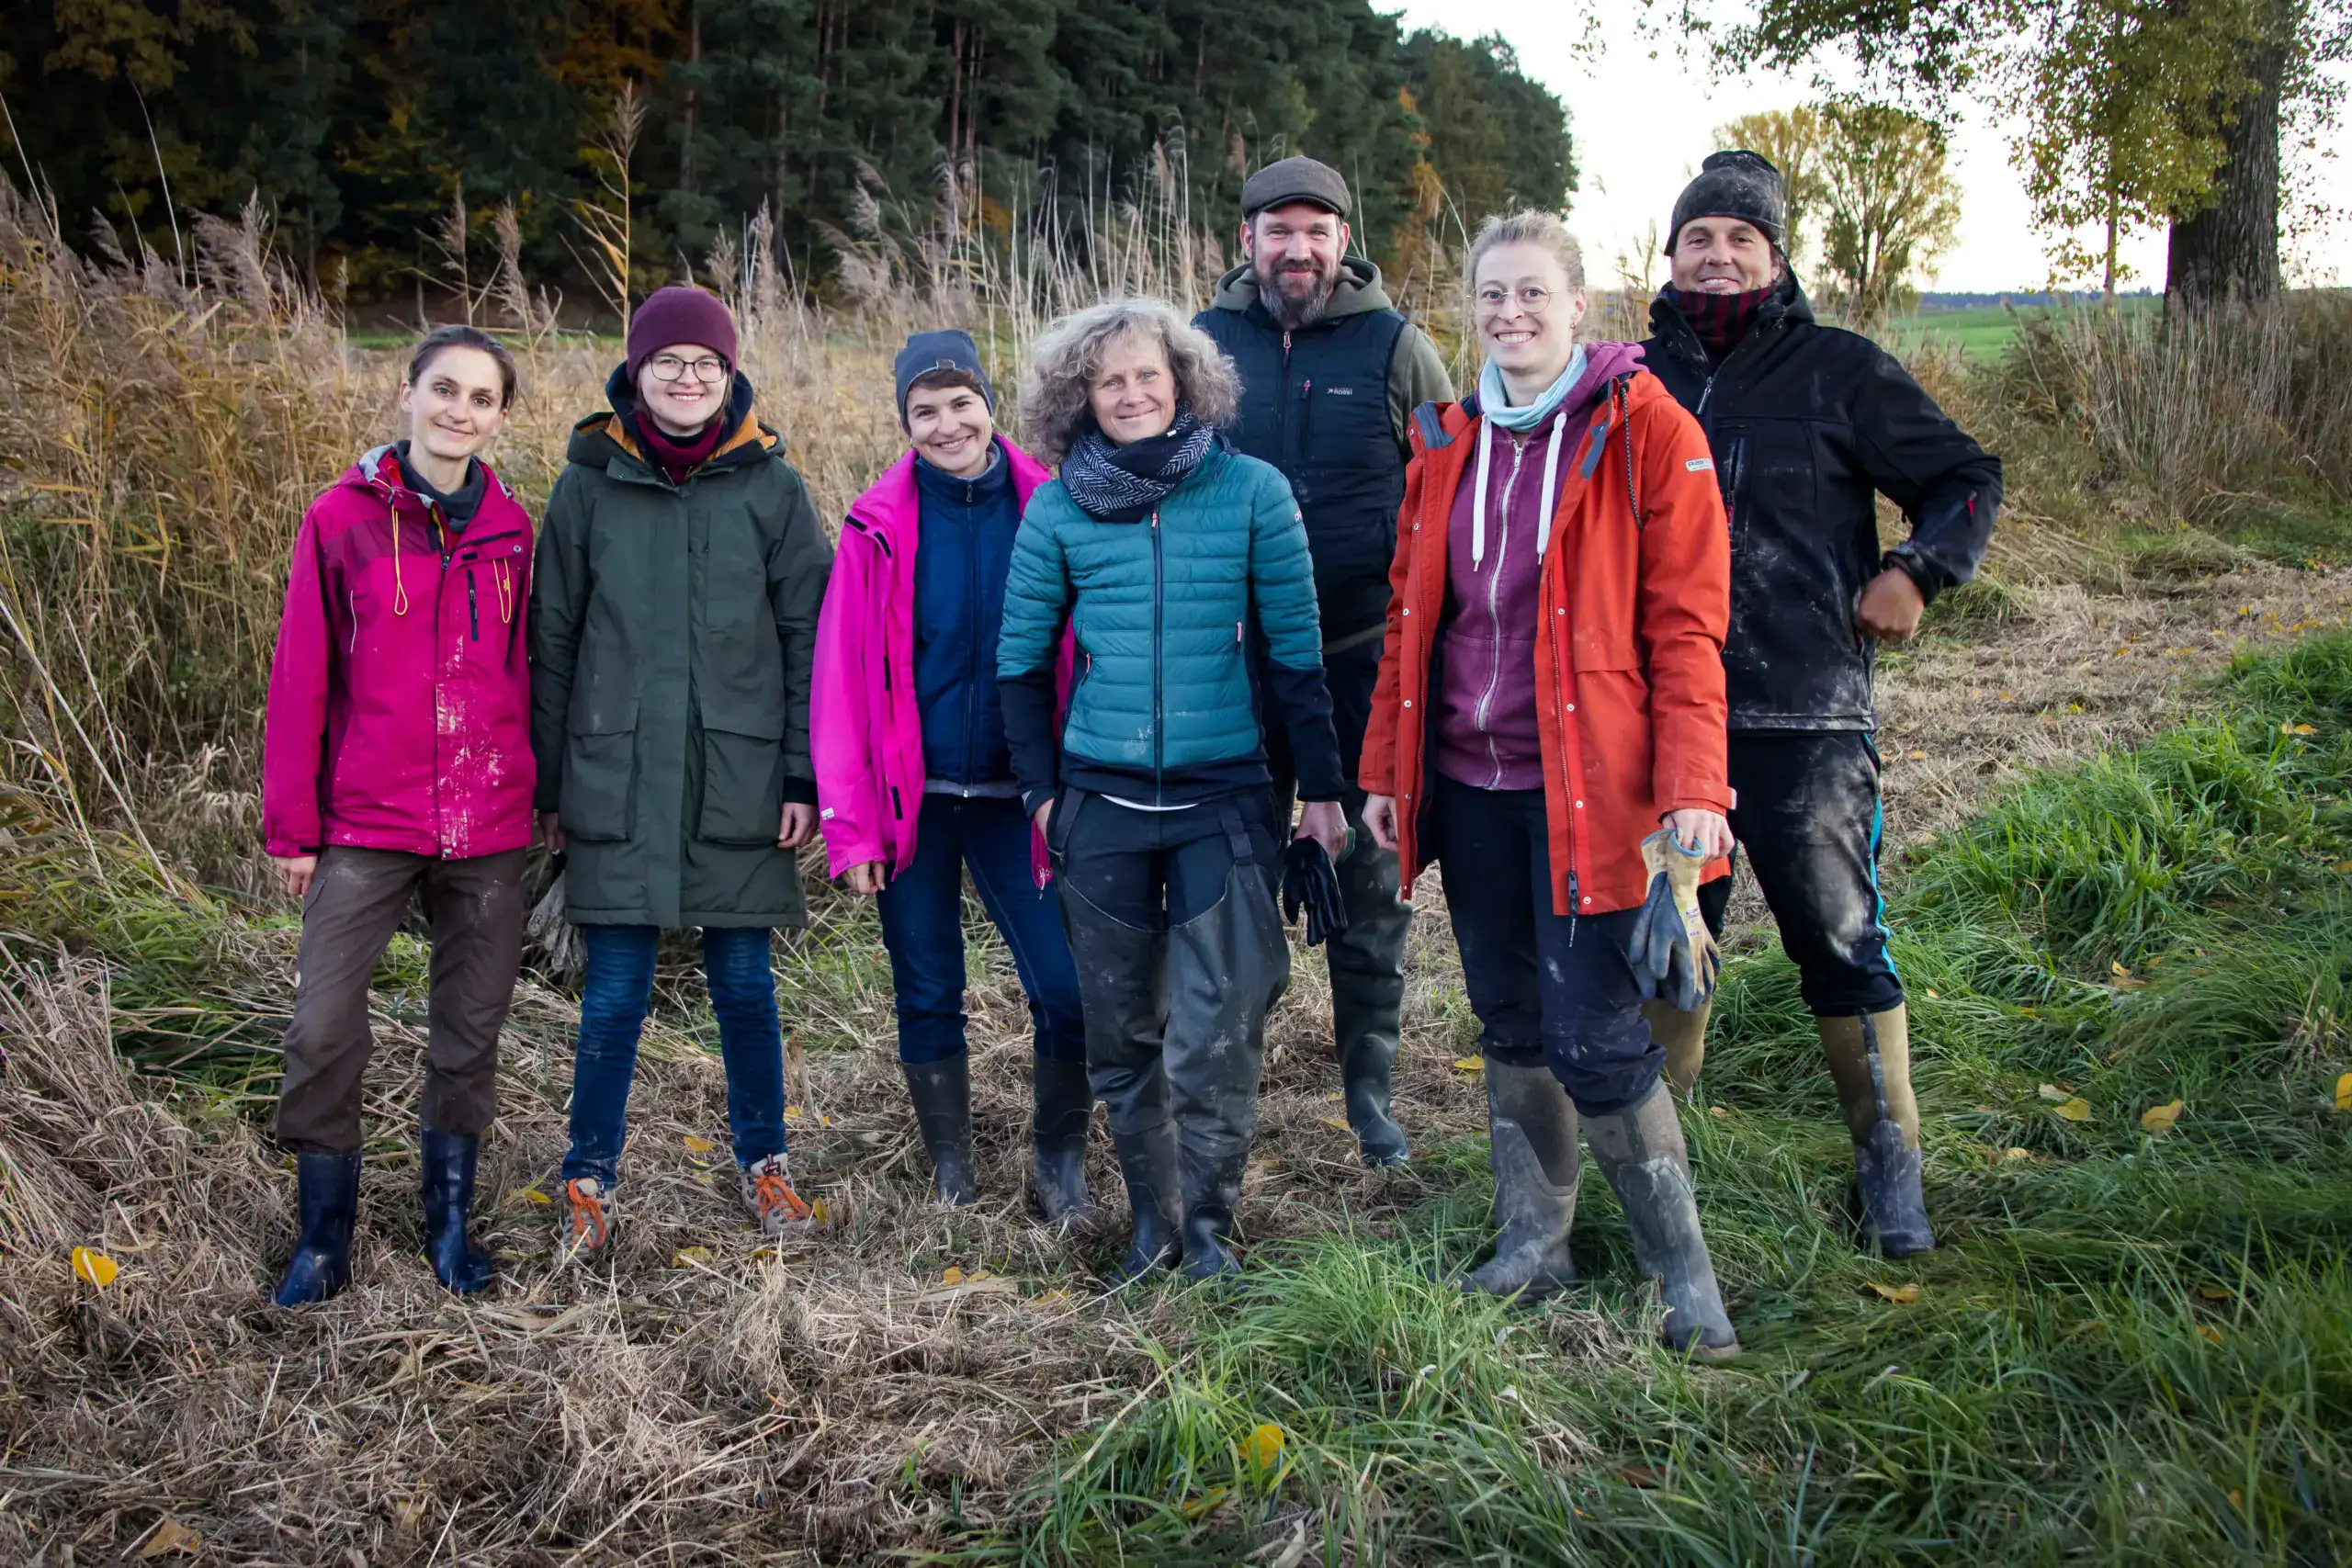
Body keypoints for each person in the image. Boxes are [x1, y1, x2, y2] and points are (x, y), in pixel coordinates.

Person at [1360, 211, 1742, 1357]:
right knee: (1510, 1018)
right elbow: (1409, 626)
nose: (1510, 314)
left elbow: (1687, 629)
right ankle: (1536, 1246)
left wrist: (1695, 787)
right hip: (1471, 789)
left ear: (1582, 307)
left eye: (1534, 294)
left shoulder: (1645, 430)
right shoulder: (1445, 446)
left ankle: (1687, 1283)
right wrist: (1387, 772)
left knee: (1598, 1032)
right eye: (1490, 296)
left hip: (1596, 793)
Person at [1641, 151, 2002, 1258]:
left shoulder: (1838, 369)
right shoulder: (1627, 374)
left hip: (1806, 709)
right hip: (1660, 718)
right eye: (1698, 235)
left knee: (1839, 936)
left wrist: (1918, 572)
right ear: (1668, 255)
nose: (1717, 252)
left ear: (1775, 255)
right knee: (1665, 937)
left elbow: (1964, 474)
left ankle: (1889, 1162)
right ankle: (1660, 1160)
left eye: (1739, 238)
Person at [998, 298, 1351, 1284]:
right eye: (1109, 380)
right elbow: (1020, 667)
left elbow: (1296, 656)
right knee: (1121, 1033)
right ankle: (1152, 1223)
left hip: (1225, 800)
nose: (1131, 393)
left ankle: (1209, 1233)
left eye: (1148, 374)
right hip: (1100, 808)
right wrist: (1041, 797)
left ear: (1184, 381)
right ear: (1081, 396)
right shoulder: (1058, 505)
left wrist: (1319, 791)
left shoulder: (1252, 493)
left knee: (1220, 1030)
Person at [531, 286, 834, 1259]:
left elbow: (808, 639)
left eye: (706, 364)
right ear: (636, 370)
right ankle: (587, 1177)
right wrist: (549, 784)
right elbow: (553, 639)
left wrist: (801, 775)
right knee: (615, 987)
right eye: (668, 363)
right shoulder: (588, 482)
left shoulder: (772, 487)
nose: (688, 379)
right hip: (613, 774)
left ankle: (766, 1162)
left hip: (740, 778)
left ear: (729, 372)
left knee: (744, 982)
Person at [260, 324, 533, 1305]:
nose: (459, 410)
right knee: (323, 1024)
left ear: (499, 416)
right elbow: (301, 678)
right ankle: (322, 1238)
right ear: (407, 394)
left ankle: (448, 1228)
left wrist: (539, 794)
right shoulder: (340, 519)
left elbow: (528, 672)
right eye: (444, 389)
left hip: (488, 821)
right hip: (367, 817)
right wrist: (293, 827)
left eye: (481, 397)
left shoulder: (513, 528)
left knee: (469, 1030)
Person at [1193, 155, 1455, 1168]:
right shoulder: (1201, 344)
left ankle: (1370, 1097)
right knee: (1231, 883)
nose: (1294, 248)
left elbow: (1449, 489)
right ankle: (1230, 1091)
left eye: (1314, 230)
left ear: (1344, 239)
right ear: (1246, 238)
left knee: (1371, 885)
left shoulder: (1399, 352)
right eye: (1276, 230)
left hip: (1363, 662)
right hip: (1234, 668)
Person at [811, 330, 1094, 1216]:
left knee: (1067, 987)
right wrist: (850, 827)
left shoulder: (1049, 506)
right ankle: (953, 1174)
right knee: (928, 985)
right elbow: (841, 686)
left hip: (1024, 801)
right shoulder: (876, 528)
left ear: (988, 405)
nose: (945, 424)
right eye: (923, 411)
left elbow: (1084, 652)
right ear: (905, 421)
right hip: (915, 804)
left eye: (960, 403)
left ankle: (1059, 1167)